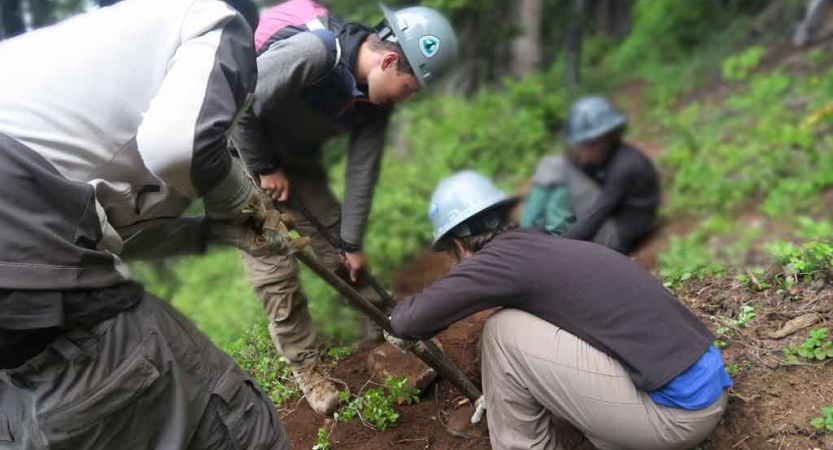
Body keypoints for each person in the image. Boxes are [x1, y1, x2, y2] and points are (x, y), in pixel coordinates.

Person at [0, 0, 290, 447]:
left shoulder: (58, 75)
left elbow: (82, 245)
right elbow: (177, 147)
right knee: (240, 434)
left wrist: (206, 232)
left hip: (15, 400)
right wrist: (235, 195)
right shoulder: (217, 18)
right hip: (75, 343)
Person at [389, 171, 731, 450]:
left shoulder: (500, 261)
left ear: (460, 243)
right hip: (704, 390)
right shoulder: (540, 246)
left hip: (676, 415)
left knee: (503, 329)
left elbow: (410, 320)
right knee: (533, 323)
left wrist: (397, 325)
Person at [229, 0, 459, 414]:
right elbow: (240, 104)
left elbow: (361, 173)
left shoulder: (374, 103)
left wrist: (351, 241)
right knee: (273, 265)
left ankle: (393, 330)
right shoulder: (314, 53)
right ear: (389, 61)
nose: (404, 100)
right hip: (235, 149)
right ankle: (307, 369)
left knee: (337, 243)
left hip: (289, 154)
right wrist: (264, 167)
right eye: (409, 90)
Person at [522, 96, 659, 254]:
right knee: (557, 170)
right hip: (614, 224)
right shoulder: (613, 154)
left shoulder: (625, 167)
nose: (581, 151)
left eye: (585, 145)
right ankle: (530, 236)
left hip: (614, 236)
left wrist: (558, 247)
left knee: (556, 165)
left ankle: (530, 240)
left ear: (605, 138)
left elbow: (594, 217)